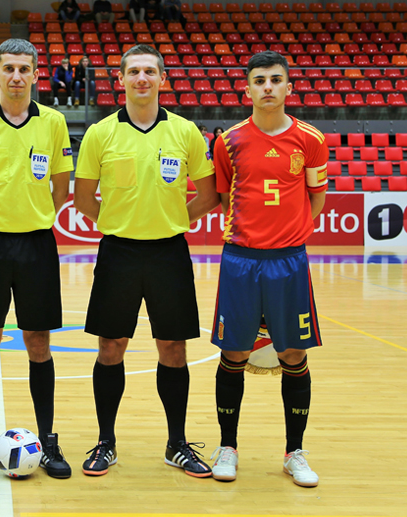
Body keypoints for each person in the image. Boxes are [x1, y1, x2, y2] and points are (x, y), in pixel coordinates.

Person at [73, 44, 220, 477]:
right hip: (118, 251)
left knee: (173, 349)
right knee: (111, 347)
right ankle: (106, 442)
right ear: (120, 79)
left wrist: (172, 219)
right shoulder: (101, 133)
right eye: (133, 71)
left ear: (161, 79)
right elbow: (83, 199)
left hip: (169, 252)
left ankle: (177, 443)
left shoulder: (186, 132)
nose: (141, 78)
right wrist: (123, 222)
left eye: (149, 71)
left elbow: (209, 195)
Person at [208, 51, 327, 488]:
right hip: (240, 260)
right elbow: (225, 199)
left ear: (289, 87)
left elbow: (317, 198)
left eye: (276, 80)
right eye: (259, 80)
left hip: (289, 261)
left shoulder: (311, 139)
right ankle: (227, 447)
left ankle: (294, 451)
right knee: (234, 353)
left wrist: (290, 235)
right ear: (247, 88)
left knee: (293, 355)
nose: (268, 87)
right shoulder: (229, 141)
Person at [0, 38, 73, 480]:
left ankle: (48, 440)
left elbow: (60, 189)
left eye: (25, 69)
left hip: (37, 244)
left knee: (38, 343)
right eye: (9, 68)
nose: (17, 76)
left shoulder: (55, 122)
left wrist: (32, 214)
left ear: (36, 74)